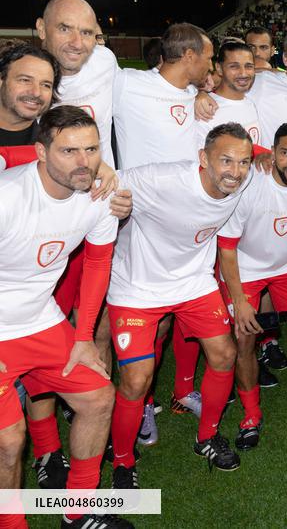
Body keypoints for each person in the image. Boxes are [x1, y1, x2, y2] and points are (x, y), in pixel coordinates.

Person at [0, 107, 131, 529]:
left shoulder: (101, 197)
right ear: (40, 152)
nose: (84, 162)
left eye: (91, 149)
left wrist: (83, 336)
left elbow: (97, 264)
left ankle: (77, 512)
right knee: (8, 441)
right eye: (69, 150)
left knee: (98, 397)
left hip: (42, 321)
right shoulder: (7, 197)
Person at [108, 123, 255, 488]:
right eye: (225, 160)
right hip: (137, 287)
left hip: (193, 282)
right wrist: (113, 201)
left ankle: (206, 437)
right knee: (136, 378)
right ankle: (123, 461)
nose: (235, 171)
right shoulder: (162, 180)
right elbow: (107, 180)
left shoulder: (245, 179)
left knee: (224, 354)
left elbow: (272, 157)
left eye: (244, 162)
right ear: (203, 159)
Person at [216, 122, 287, 449]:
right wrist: (239, 300)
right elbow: (226, 246)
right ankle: (251, 414)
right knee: (244, 335)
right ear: (273, 153)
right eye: (284, 153)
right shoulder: (251, 183)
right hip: (246, 266)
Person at [112, 23, 211, 169]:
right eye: (208, 58)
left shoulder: (192, 93)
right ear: (189, 56)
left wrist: (201, 94)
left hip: (186, 190)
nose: (211, 66)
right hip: (138, 190)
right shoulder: (127, 84)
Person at [37, 0, 118, 167]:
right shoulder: (24, 81)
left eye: (86, 32)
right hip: (51, 191)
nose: (77, 43)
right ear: (42, 28)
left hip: (106, 190)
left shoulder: (105, 61)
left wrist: (192, 92)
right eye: (65, 29)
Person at [194, 41, 261, 147]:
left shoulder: (252, 102)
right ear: (219, 68)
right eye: (234, 66)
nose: (243, 73)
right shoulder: (205, 110)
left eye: (248, 66)